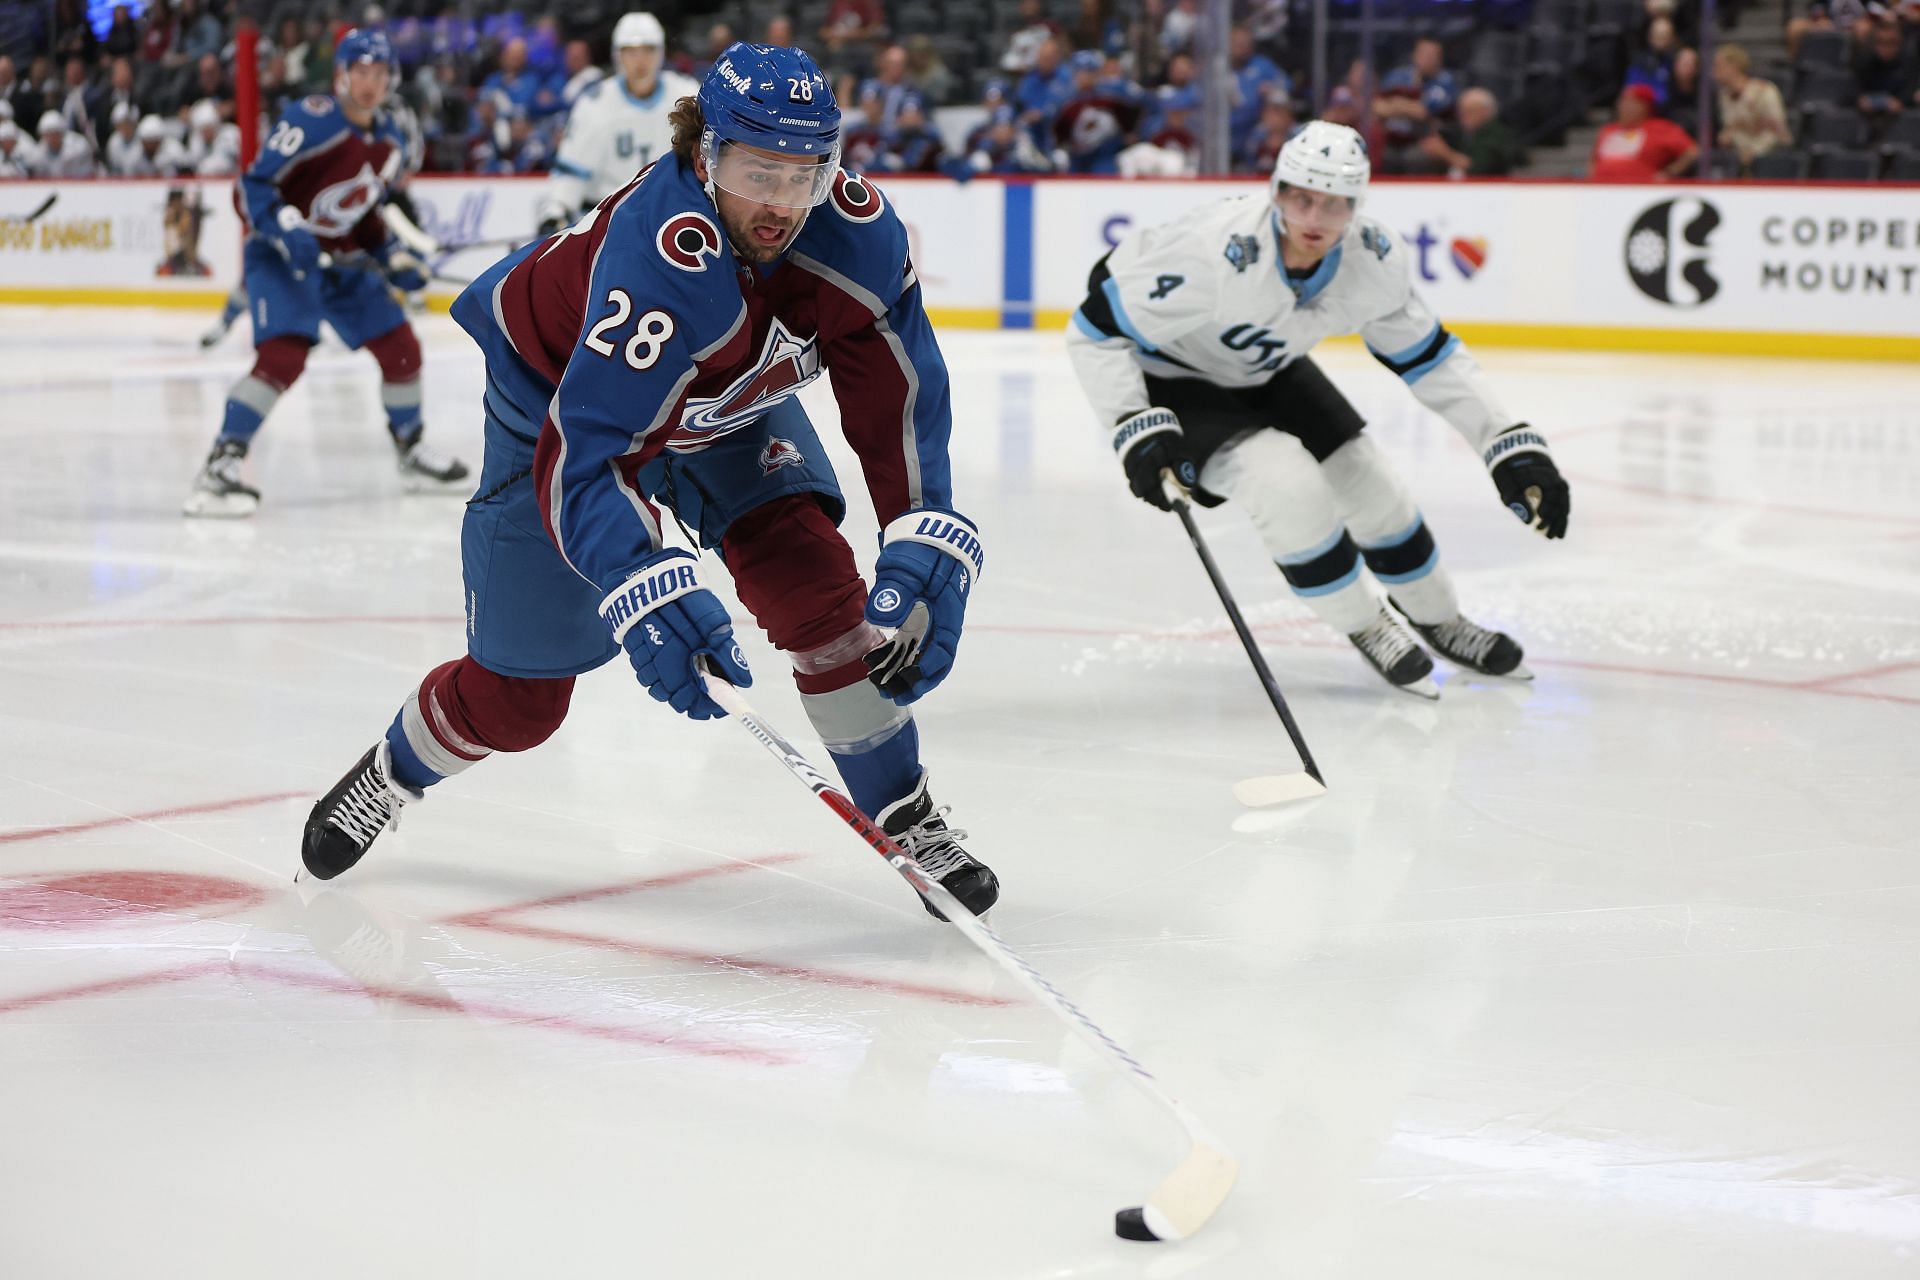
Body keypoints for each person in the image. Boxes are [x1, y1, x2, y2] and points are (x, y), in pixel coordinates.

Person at [300, 43, 999, 921]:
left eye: (804, 175)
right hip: (558, 409)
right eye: (757, 172)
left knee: (822, 595)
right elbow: (583, 455)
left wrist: (923, 522)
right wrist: (638, 576)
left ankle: (905, 814)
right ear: (705, 154)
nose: (781, 205)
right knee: (521, 701)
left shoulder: (857, 235)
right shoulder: (661, 263)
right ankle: (395, 772)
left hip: (722, 408)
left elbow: (899, 392)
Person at [1063, 122, 1571, 696]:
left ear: (1357, 207)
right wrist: (1133, 425)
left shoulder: (1373, 261)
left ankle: (1440, 617)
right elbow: (1093, 331)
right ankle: (1366, 624)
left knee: (1368, 480)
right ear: (1276, 191)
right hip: (1172, 375)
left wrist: (1506, 443)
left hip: (1262, 365)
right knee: (1286, 483)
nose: (1313, 218)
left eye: (1333, 205)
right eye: (1301, 197)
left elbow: (1431, 359)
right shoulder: (1213, 251)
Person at [182, 29, 469, 517]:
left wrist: (391, 255)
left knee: (401, 348)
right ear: (341, 74)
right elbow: (252, 187)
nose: (369, 83)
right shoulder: (311, 122)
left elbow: (363, 213)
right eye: (360, 71)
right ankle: (221, 463)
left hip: (340, 259)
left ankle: (410, 448)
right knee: (283, 355)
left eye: (379, 74)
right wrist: (287, 226)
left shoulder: (389, 141)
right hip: (281, 255)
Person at [536, 11, 698, 236]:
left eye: (648, 51)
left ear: (661, 53)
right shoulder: (595, 103)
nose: (640, 61)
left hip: (671, 220)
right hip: (607, 222)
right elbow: (571, 171)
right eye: (631, 52)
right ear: (617, 55)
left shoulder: (687, 95)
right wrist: (556, 211)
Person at [1589, 84, 1697, 181]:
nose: (1622, 106)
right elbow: (1594, 159)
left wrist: (1667, 174)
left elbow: (1692, 152)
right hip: (1601, 189)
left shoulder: (1660, 128)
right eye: (1622, 101)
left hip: (1639, 191)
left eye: (1630, 102)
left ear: (1645, 106)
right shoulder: (1608, 130)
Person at [1713, 44, 1789, 169]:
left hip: (1770, 157)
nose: (1714, 72)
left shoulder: (1764, 91)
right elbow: (1732, 129)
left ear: (1733, 66)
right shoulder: (1724, 97)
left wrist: (1754, 151)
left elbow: (1777, 132)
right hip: (1738, 158)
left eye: (1719, 66)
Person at [33, 109, 96, 176]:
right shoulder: (38, 153)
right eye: (48, 134)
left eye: (55, 133)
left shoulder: (79, 146)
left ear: (62, 132)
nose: (52, 138)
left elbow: (87, 173)